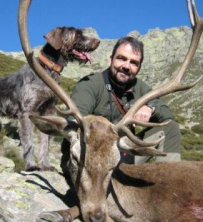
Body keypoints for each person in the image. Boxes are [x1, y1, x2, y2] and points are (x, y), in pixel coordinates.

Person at [69, 36, 181, 164]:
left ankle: (166, 180)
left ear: (139, 68)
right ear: (110, 59)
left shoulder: (141, 88)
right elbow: (74, 122)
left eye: (133, 62)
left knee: (171, 128)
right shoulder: (90, 84)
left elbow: (167, 114)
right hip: (89, 155)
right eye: (121, 58)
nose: (126, 66)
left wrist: (150, 107)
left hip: (122, 154)